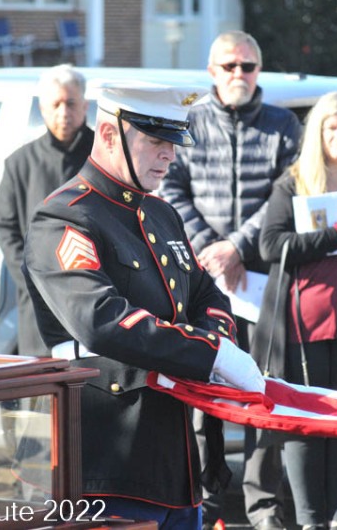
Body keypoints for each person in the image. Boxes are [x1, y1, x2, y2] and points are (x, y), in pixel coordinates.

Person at [22, 81, 265, 529]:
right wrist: (210, 353)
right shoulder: (64, 217)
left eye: (173, 142)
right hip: (106, 458)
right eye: (155, 141)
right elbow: (100, 320)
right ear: (109, 134)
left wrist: (217, 341)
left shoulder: (160, 213)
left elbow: (205, 294)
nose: (169, 155)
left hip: (172, 458)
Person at [160, 30, 301, 530]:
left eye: (248, 66)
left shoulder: (284, 126)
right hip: (200, 279)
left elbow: (287, 194)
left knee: (261, 390)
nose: (238, 74)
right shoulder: (190, 122)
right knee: (204, 391)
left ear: (259, 70)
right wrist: (213, 252)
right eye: (229, 66)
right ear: (211, 71)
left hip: (263, 282)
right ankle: (205, 504)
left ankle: (264, 508)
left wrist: (238, 246)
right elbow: (170, 188)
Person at [251, 91, 337, 530]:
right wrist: (330, 237)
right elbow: (269, 245)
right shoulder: (294, 182)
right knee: (305, 427)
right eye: (332, 126)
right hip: (302, 328)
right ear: (318, 132)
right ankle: (311, 521)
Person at [0, 63, 93, 358]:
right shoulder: (20, 163)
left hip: (94, 297)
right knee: (41, 379)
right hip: (37, 301)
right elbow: (6, 227)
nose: (64, 112)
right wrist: (30, 277)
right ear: (42, 108)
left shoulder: (104, 157)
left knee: (91, 378)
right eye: (56, 104)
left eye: (71, 103)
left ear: (85, 106)